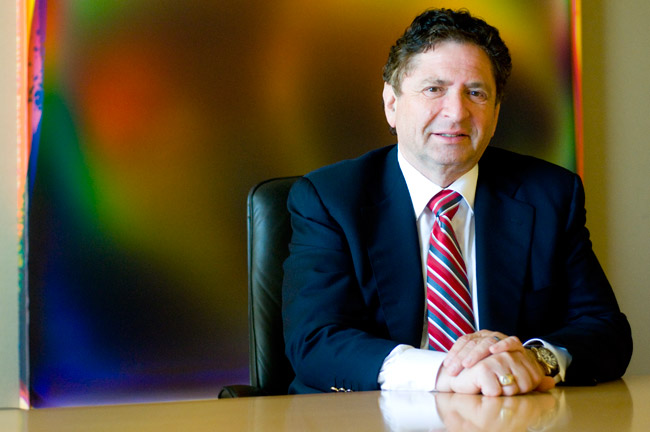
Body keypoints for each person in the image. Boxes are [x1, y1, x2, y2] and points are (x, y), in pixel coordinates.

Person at [282, 8, 632, 396]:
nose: (456, 112)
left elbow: (605, 330)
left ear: (496, 113)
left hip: (508, 413)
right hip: (371, 416)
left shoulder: (549, 195)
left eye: (476, 93)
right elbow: (315, 340)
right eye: (434, 89)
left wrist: (533, 360)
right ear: (392, 103)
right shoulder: (330, 199)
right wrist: (445, 374)